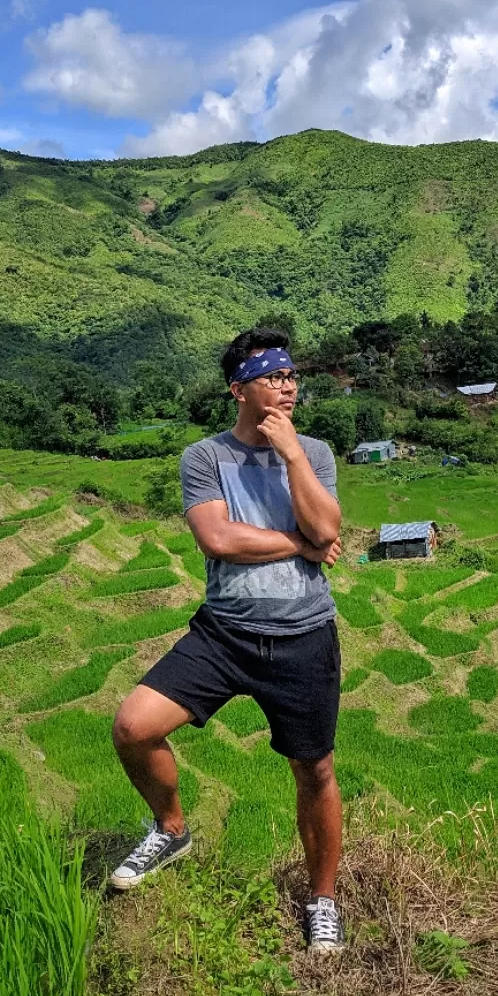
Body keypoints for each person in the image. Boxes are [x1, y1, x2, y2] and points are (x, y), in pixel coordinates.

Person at [109, 326, 346, 952]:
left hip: (302, 634)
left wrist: (292, 455)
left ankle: (323, 899)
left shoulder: (314, 453)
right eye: (274, 377)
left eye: (293, 376)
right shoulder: (205, 458)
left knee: (314, 769)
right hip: (225, 632)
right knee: (134, 726)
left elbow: (330, 524)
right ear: (239, 389)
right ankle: (171, 827)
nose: (289, 386)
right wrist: (301, 544)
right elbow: (219, 540)